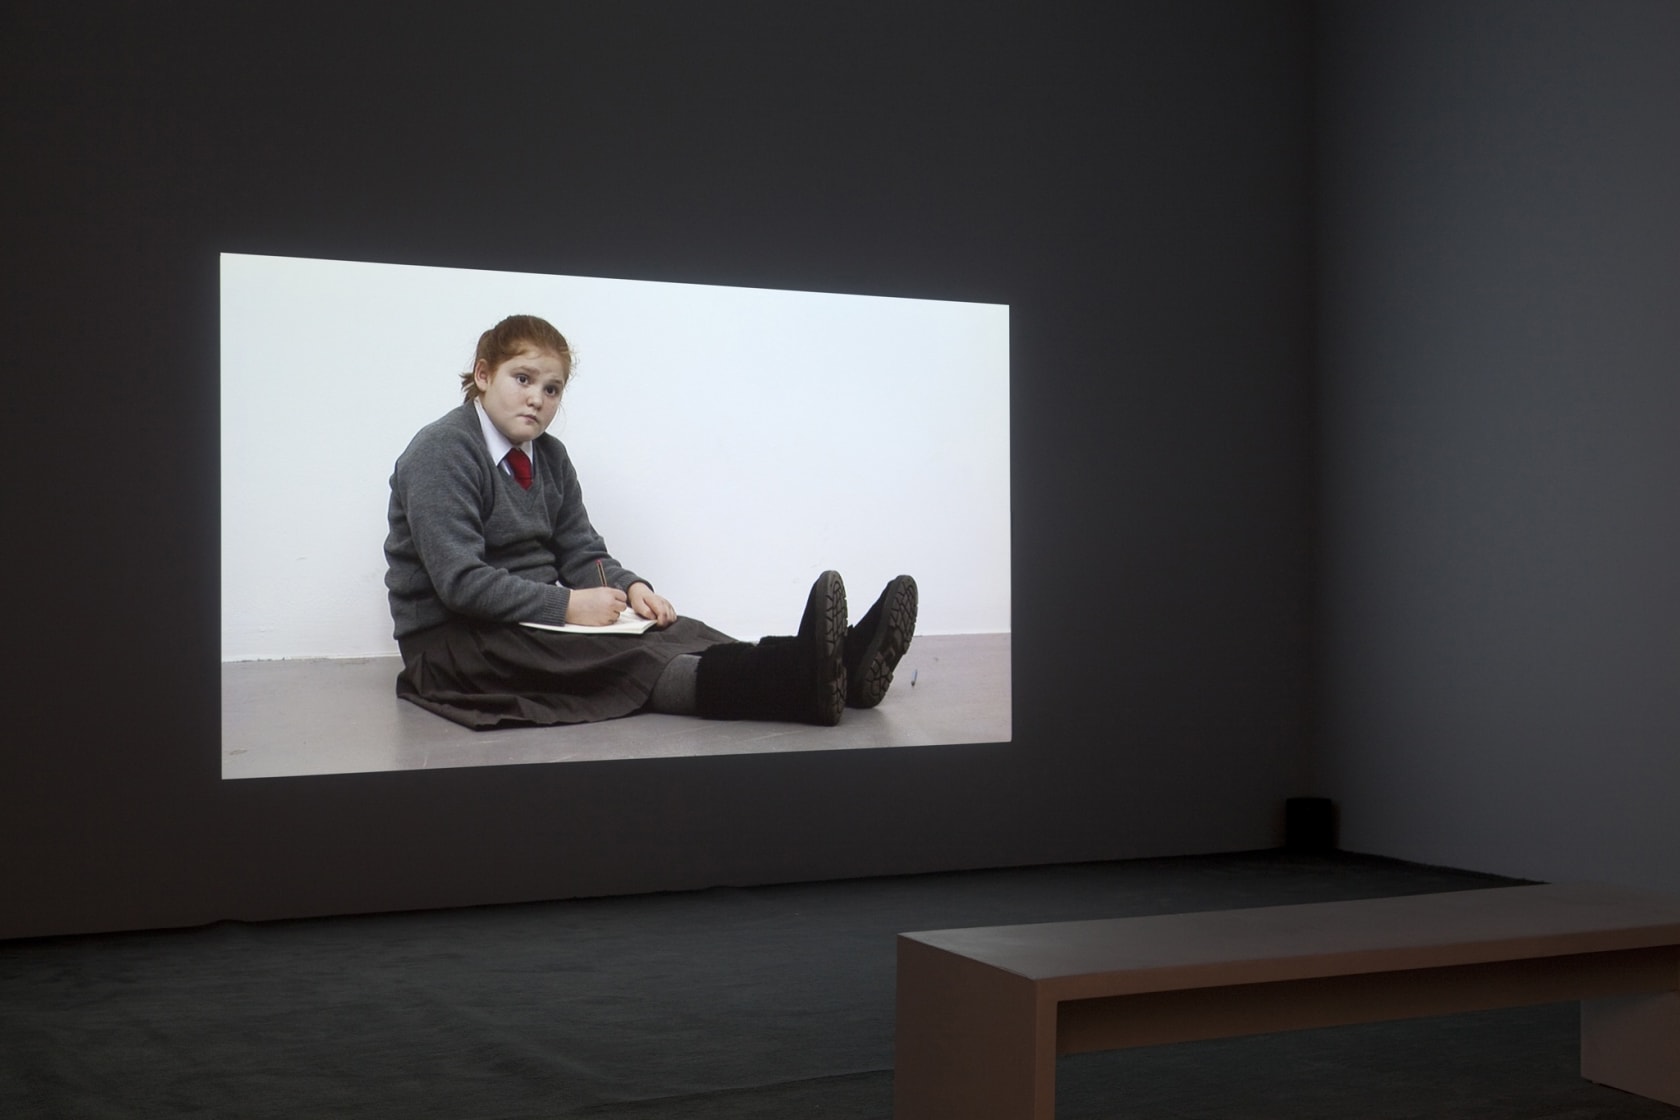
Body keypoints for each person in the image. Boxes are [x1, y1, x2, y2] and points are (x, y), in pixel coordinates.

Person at [383, 313, 918, 730]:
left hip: (527, 614)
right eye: (522, 378)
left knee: (676, 632)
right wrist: (568, 605)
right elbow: (459, 582)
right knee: (624, 659)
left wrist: (629, 587)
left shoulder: (550, 457)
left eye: (552, 389)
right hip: (457, 640)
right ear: (482, 375)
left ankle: (836, 664)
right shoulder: (443, 452)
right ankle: (803, 684)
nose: (537, 399)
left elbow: (581, 551)